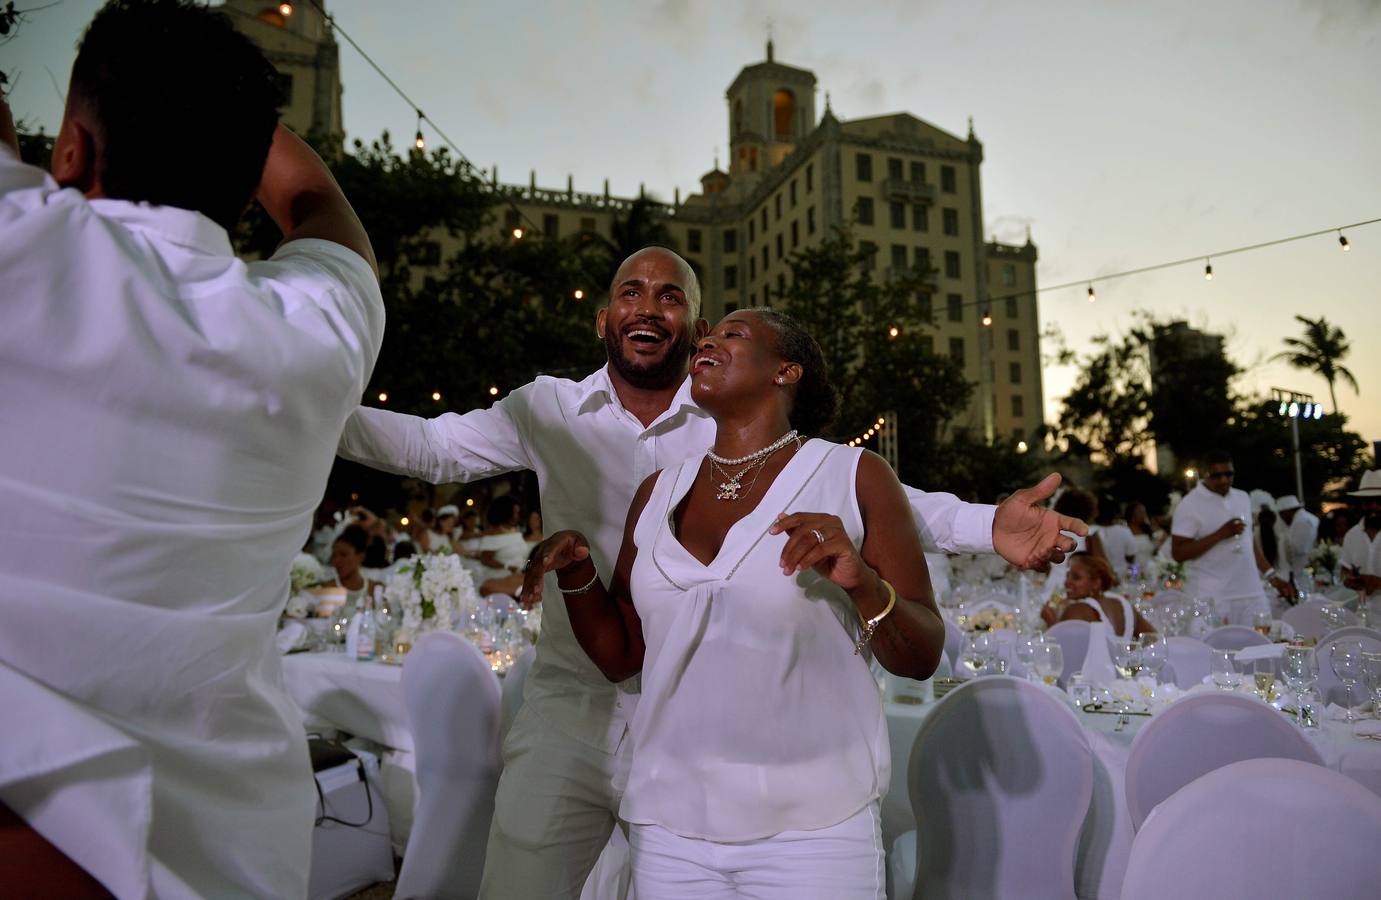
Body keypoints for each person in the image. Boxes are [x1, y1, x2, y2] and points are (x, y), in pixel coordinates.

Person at [336, 245, 1085, 898]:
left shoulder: (731, 413)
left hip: (712, 728)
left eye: (672, 297)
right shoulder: (547, 408)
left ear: (692, 328)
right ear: (604, 318)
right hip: (578, 703)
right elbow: (431, 450)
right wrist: (295, 404)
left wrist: (988, 524)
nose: (648, 306)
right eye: (631, 291)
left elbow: (861, 496)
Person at [0, 1, 382, 895]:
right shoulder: (315, 334)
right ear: (245, 170)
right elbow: (320, 203)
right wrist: (228, 118)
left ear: (71, 153)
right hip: (228, 861)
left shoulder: (20, 250)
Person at [523, 308, 942, 896]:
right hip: (670, 829)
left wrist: (864, 583)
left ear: (786, 371)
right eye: (708, 334)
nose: (708, 341)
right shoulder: (659, 490)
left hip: (813, 832)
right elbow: (622, 657)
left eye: (734, 334)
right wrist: (578, 575)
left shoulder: (854, 475)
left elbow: (920, 654)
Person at [1171, 451, 1295, 625]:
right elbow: (1178, 553)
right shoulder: (1189, 504)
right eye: (1216, 475)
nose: (1223, 480)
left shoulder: (1242, 497)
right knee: (1219, 649)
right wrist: (1221, 534)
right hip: (1214, 596)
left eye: (1228, 474)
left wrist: (1272, 576)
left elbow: (1248, 542)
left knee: (1262, 646)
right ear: (1204, 474)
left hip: (1251, 591)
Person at [1042, 552, 1152, 639]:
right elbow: (1153, 640)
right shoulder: (1123, 603)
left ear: (1096, 583)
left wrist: (1052, 623)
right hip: (1122, 666)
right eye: (1067, 576)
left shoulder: (1077, 610)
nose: (1067, 582)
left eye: (1076, 577)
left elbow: (1062, 650)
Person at [1340, 471, 1381, 595]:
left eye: (1379, 501)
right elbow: (1345, 569)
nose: (1373, 506)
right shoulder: (1352, 535)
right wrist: (1348, 579)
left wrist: (1378, 582)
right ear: (1362, 504)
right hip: (1361, 608)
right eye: (1368, 501)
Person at [327, 524, 385, 608]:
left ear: (360, 556)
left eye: (343, 555)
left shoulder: (374, 589)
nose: (336, 561)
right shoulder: (328, 588)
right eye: (334, 556)